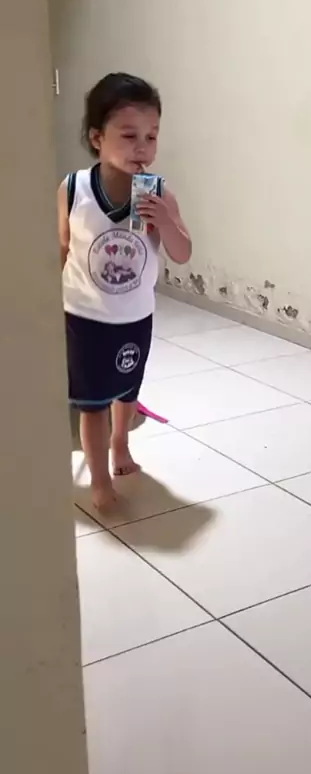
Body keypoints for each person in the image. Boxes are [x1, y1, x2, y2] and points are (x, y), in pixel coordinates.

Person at [59, 72, 191, 510]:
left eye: (151, 136)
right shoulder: (74, 189)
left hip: (135, 315)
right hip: (84, 317)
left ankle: (121, 444)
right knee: (92, 403)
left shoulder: (158, 193)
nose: (143, 147)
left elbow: (182, 252)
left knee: (127, 390)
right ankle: (99, 479)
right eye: (129, 135)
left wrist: (165, 221)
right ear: (97, 137)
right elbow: (63, 247)